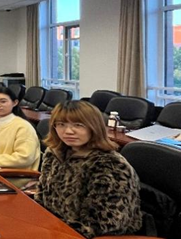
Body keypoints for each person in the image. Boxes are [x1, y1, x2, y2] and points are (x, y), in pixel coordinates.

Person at [35, 101, 142, 239]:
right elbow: (42, 195)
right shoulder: (54, 153)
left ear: (94, 127)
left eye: (78, 125)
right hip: (54, 227)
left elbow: (103, 224)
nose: (68, 131)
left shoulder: (110, 165)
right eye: (61, 124)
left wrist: (55, 232)